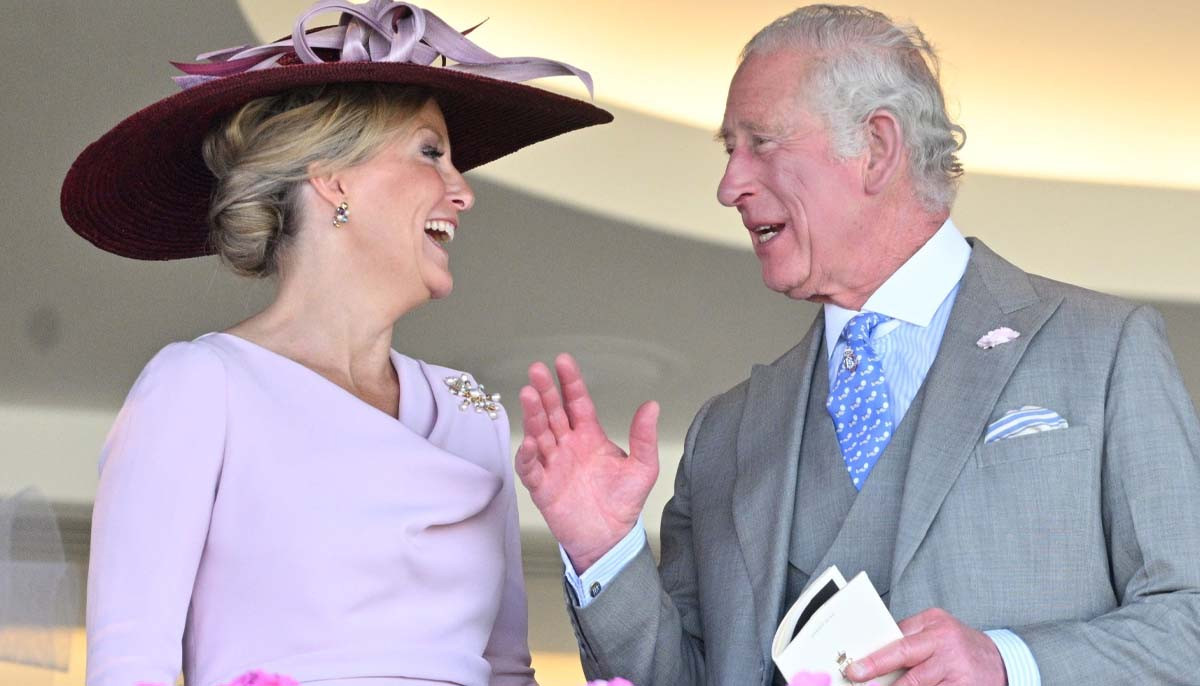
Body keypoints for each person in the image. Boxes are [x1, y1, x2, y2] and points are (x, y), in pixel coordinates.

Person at [515, 5, 1200, 686]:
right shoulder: (723, 435)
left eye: (762, 143)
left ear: (876, 146)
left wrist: (1009, 664)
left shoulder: (1105, 350)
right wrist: (602, 550)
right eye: (730, 151)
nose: (729, 186)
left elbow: (1189, 623)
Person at [62, 2, 611, 685]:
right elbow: (129, 667)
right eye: (431, 153)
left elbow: (505, 670)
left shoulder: (471, 411)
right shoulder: (203, 385)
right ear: (333, 176)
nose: (462, 192)